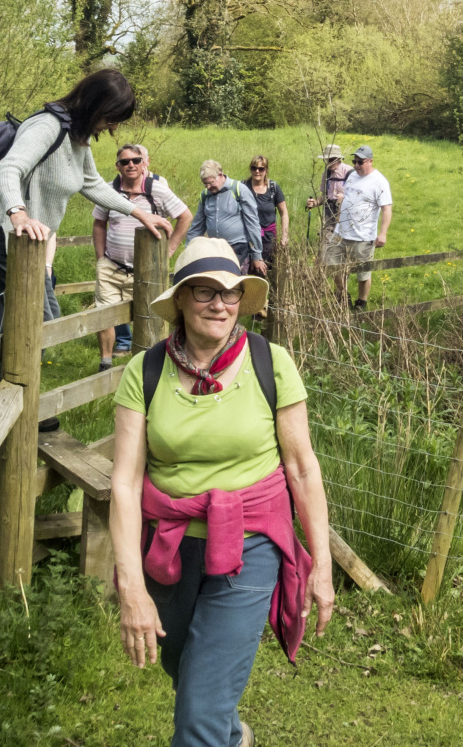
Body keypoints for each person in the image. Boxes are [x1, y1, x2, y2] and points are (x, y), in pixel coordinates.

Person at [110, 238, 335, 746]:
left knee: (197, 716)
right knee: (184, 668)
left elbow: (301, 468)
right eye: (206, 292)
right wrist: (131, 587)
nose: (220, 304)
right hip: (168, 546)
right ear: (183, 301)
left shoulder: (269, 362)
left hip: (250, 544)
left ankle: (213, 731)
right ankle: (232, 736)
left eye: (231, 293)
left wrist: (321, 561)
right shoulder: (143, 372)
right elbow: (124, 482)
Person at [0, 68, 172, 432]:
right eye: (110, 118)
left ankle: (15, 402)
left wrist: (138, 212)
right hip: (4, 237)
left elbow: (92, 184)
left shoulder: (77, 140)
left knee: (23, 322)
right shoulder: (47, 127)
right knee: (35, 320)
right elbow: (7, 170)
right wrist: (18, 213)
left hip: (27, 247)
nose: (112, 128)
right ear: (95, 104)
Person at [94, 144, 192, 370]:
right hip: (112, 266)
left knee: (150, 318)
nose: (131, 165)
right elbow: (99, 223)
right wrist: (101, 258)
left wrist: (169, 251)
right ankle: (105, 364)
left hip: (147, 270)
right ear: (117, 166)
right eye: (125, 161)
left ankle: (152, 366)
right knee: (104, 314)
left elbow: (185, 217)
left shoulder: (157, 190)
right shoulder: (108, 191)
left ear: (144, 163)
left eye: (136, 160)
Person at [324, 145, 392, 311]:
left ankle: (361, 302)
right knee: (331, 264)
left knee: (363, 273)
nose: (355, 165)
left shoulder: (379, 181)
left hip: (363, 236)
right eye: (354, 161)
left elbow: (387, 208)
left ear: (370, 161)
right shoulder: (353, 176)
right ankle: (342, 295)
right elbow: (347, 195)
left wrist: (382, 233)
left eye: (360, 162)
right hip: (341, 232)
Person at [187, 160, 267, 277]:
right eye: (205, 184)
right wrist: (188, 251)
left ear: (220, 175)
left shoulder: (239, 190)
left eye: (211, 183)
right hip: (215, 250)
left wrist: (257, 256)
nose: (208, 187)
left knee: (234, 286)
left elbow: (253, 224)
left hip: (238, 249)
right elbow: (197, 227)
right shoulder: (205, 196)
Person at [242, 154, 289, 276]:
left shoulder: (273, 188)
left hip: (268, 238)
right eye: (254, 168)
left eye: (261, 168)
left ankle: (264, 294)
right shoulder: (242, 187)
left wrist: (285, 236)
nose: (257, 171)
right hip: (247, 236)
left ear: (266, 170)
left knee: (265, 272)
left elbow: (283, 212)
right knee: (247, 272)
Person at [306, 143, 354, 255]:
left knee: (343, 241)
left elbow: (358, 196)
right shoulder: (326, 173)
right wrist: (315, 203)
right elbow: (324, 196)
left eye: (332, 159)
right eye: (327, 159)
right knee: (325, 242)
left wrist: (345, 198)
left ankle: (342, 270)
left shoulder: (349, 172)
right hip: (328, 211)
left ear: (338, 159)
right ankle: (323, 267)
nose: (329, 162)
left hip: (345, 211)